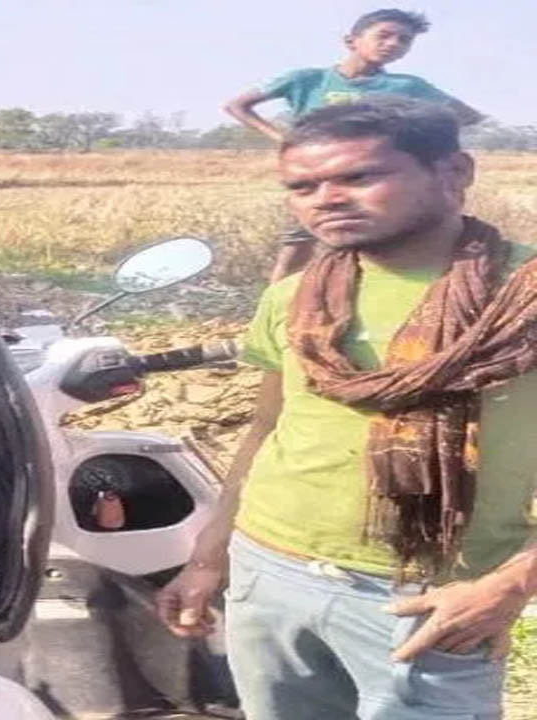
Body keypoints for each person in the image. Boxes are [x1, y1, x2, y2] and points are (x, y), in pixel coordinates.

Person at [154, 99, 537, 719]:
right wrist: (208, 560)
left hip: (431, 597)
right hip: (271, 570)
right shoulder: (296, 298)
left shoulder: (522, 298)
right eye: (301, 186)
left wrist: (509, 585)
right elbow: (266, 428)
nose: (324, 199)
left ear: (455, 172)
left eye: (359, 177)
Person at [224, 8, 484, 281]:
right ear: (352, 41)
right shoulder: (307, 80)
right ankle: (276, 307)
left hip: (371, 181)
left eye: (404, 40)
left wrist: (420, 137)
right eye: (384, 35)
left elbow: (468, 116)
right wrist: (284, 139)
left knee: (379, 246)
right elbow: (237, 106)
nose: (393, 44)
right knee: (297, 247)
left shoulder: (407, 87)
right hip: (318, 179)